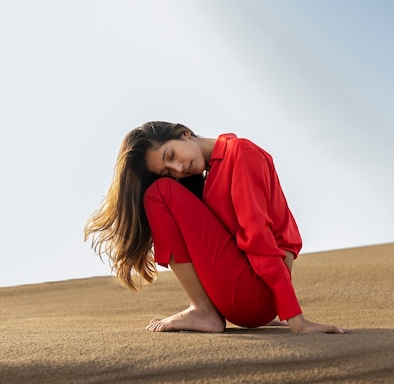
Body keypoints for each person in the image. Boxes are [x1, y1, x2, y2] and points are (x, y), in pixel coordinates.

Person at [84, 121, 348, 334]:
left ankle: (203, 310)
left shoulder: (242, 155)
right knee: (164, 191)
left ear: (183, 133)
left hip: (256, 295)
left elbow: (258, 237)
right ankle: (206, 310)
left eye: (171, 155)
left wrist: (294, 317)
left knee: (159, 193)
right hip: (255, 300)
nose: (178, 168)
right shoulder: (216, 171)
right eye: (168, 171)